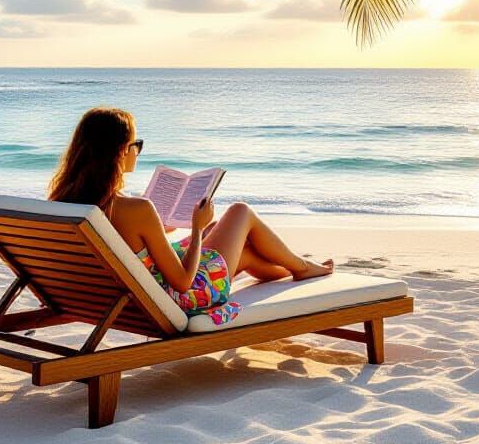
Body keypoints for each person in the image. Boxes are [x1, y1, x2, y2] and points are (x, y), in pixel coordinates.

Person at [48, 107, 333, 326]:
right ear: (121, 151)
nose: (137, 150)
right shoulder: (135, 209)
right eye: (136, 144)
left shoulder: (64, 203)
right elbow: (183, 281)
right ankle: (300, 266)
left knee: (231, 243)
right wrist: (195, 229)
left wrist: (163, 229)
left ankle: (295, 269)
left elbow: (129, 250)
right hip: (175, 300)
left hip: (121, 299)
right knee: (239, 212)